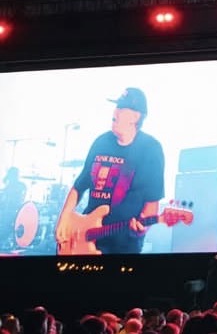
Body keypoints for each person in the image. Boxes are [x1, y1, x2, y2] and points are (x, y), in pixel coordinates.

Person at [54, 88, 166, 255]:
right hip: (84, 235)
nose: (116, 111)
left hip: (122, 245)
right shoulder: (101, 142)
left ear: (136, 117)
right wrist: (64, 218)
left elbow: (151, 203)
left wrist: (142, 229)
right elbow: (79, 185)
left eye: (122, 108)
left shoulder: (150, 149)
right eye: (116, 107)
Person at [1, 167, 28, 249]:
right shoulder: (10, 185)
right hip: (9, 209)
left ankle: (4, 240)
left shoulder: (19, 185)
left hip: (14, 209)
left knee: (7, 224)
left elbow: (21, 197)